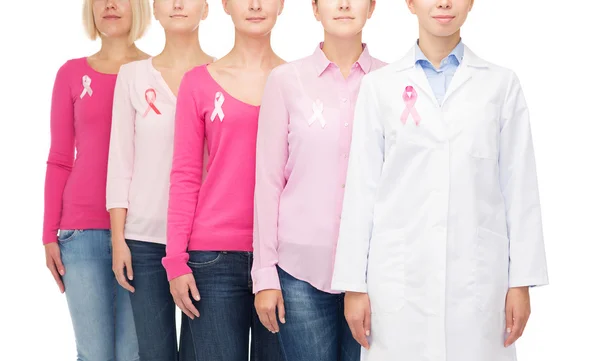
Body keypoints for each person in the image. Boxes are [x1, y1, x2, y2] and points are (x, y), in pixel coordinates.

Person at [331, 0, 549, 360]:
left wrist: (520, 282)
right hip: (399, 282)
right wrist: (354, 286)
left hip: (477, 282)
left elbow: (520, 188)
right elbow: (361, 190)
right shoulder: (379, 87)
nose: (444, 3)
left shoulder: (501, 85)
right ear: (411, 3)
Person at [252, 1, 385, 360]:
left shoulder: (392, 83)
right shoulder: (285, 81)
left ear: (372, 7)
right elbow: (267, 182)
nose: (343, 5)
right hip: (300, 273)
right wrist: (264, 275)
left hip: (375, 272)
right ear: (314, 8)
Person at [163, 0, 286, 360]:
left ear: (281, 5)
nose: (255, 5)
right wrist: (175, 259)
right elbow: (185, 174)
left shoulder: (298, 82)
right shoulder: (198, 83)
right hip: (212, 261)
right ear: (225, 5)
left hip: (282, 259)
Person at [43, 0, 151, 359]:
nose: (109, 5)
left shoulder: (155, 72)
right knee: (94, 354)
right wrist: (48, 235)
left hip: (142, 234)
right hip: (81, 234)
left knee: (133, 354)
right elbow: (60, 159)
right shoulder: (71, 74)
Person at [106, 1, 214, 360]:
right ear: (154, 9)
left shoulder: (221, 75)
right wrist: (119, 240)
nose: (178, 4)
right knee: (154, 354)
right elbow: (120, 161)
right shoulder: (133, 76)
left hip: (204, 243)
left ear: (207, 9)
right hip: (144, 242)